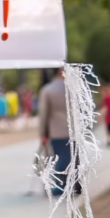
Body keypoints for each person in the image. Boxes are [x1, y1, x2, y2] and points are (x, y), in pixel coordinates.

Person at [39, 68, 80, 197]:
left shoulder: (47, 90)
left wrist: (43, 133)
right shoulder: (73, 88)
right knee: (73, 157)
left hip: (56, 129)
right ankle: (75, 184)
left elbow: (44, 114)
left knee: (60, 157)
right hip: (74, 129)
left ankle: (60, 186)